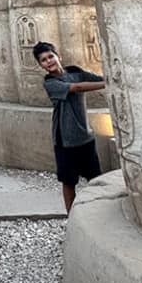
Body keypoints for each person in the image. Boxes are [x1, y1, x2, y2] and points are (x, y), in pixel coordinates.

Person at [32, 40, 105, 213]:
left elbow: (97, 79)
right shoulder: (50, 83)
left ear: (59, 57)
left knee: (96, 179)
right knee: (69, 182)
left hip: (85, 136)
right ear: (41, 66)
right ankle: (71, 216)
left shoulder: (75, 72)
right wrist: (107, 84)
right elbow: (77, 87)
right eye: (43, 60)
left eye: (50, 56)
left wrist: (110, 79)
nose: (48, 61)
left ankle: (100, 211)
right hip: (65, 140)